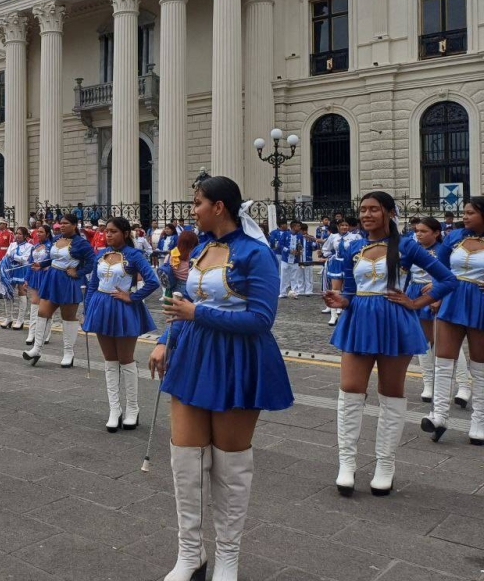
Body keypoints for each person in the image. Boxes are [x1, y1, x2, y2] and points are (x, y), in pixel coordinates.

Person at [149, 176, 293, 581]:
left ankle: (228, 557)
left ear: (219, 207)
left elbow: (262, 319)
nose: (192, 210)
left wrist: (199, 316)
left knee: (230, 463)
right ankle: (190, 554)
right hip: (193, 354)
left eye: (197, 203)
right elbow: (187, 303)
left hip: (238, 360)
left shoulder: (256, 254)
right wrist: (165, 339)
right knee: (186, 457)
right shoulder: (204, 248)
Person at [324, 191, 455, 497]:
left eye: (374, 209)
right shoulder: (354, 247)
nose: (367, 214)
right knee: (350, 390)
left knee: (391, 392)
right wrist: (341, 300)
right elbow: (352, 291)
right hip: (358, 320)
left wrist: (416, 302)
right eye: (363, 209)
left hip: (395, 321)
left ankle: (385, 465)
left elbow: (447, 280)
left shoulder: (407, 246)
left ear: (390, 213)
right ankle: (347, 464)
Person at [83, 217, 159, 432]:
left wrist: (132, 297)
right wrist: (87, 310)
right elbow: (92, 285)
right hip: (100, 306)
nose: (108, 235)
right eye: (106, 231)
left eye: (113, 231)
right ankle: (114, 409)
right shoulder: (101, 254)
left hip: (122, 309)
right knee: (109, 360)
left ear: (125, 233)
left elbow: (153, 281)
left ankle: (133, 409)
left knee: (125, 360)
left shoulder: (134, 255)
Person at [423, 197, 484, 444]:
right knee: (443, 360)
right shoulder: (455, 236)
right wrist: (437, 291)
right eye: (464, 212)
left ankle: (479, 420)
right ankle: (439, 416)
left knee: (479, 366)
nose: (465, 216)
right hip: (452, 298)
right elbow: (440, 265)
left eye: (470, 212)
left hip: (480, 302)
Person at [23, 214, 96, 368]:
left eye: (66, 223)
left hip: (68, 282)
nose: (62, 226)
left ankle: (69, 352)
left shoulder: (82, 243)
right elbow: (53, 258)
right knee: (42, 312)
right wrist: (42, 265)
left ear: (74, 225)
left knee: (67, 316)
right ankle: (36, 349)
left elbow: (92, 262)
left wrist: (78, 272)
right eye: (60, 223)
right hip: (51, 279)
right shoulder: (56, 239)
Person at [405, 217, 444, 403]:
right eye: (417, 231)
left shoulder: (443, 250)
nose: (418, 234)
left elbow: (451, 273)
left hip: (436, 294)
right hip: (414, 291)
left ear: (436, 233)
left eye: (423, 231)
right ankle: (428, 383)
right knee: (423, 339)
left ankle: (462, 384)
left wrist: (437, 288)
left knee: (445, 341)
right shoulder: (413, 249)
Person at [24, 224, 53, 346]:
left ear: (47, 234)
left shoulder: (51, 247)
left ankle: (46, 332)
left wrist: (48, 267)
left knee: (46, 305)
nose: (38, 234)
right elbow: (30, 263)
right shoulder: (34, 247)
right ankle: (32, 332)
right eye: (37, 232)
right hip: (35, 276)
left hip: (46, 277)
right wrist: (26, 278)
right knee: (34, 302)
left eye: (41, 232)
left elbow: (55, 262)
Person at [0, 228, 32, 330]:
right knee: (7, 292)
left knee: (22, 292)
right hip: (11, 270)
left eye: (20, 234)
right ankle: (8, 318)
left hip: (22, 270)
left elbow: (25, 259)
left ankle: (20, 320)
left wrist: (14, 256)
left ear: (25, 236)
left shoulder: (29, 246)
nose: (17, 236)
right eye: (16, 233)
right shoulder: (12, 245)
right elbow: (7, 256)